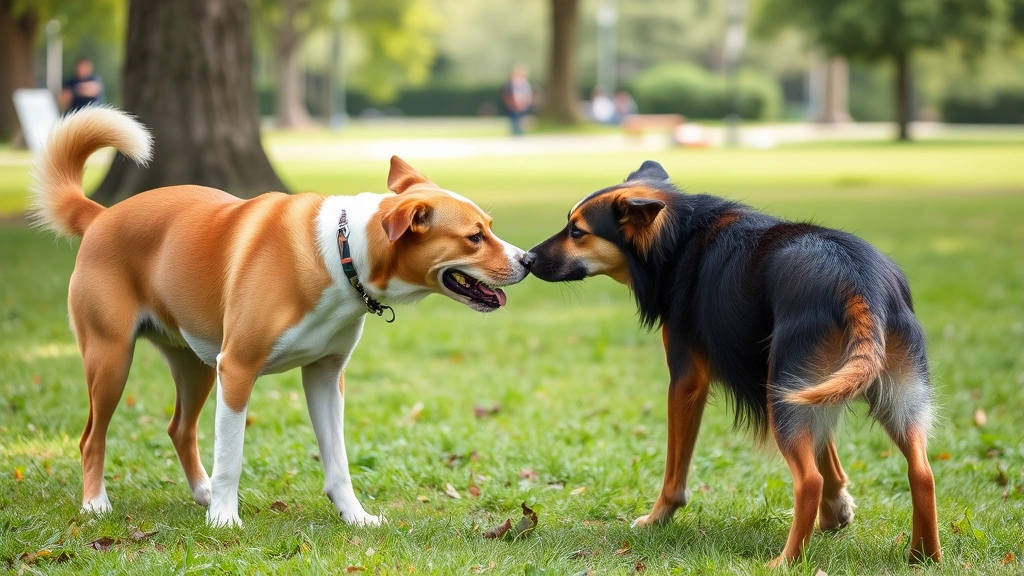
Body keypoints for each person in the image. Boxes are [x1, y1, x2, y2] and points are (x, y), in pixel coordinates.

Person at [502, 64, 532, 136]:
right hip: (512, 105)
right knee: (514, 118)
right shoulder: (510, 84)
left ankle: (519, 132)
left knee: (521, 119)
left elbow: (527, 93)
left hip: (522, 104)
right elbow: (507, 95)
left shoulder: (524, 83)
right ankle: (516, 132)